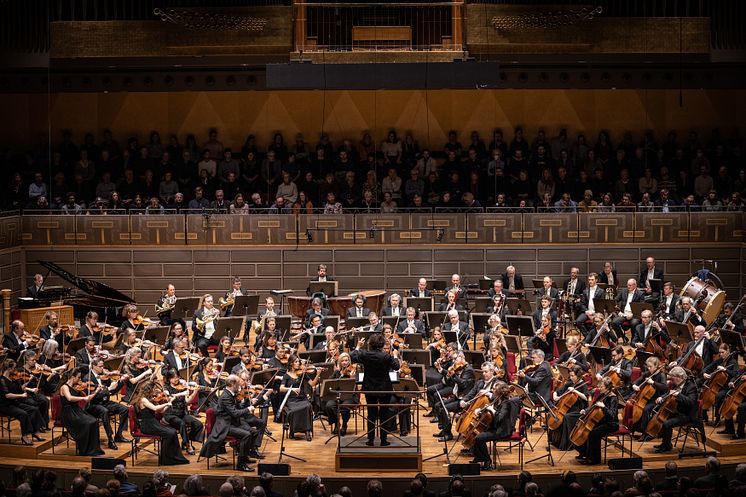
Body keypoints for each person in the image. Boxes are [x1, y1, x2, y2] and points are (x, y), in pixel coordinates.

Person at [350, 333, 400, 446]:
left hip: (369, 388)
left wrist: (358, 346)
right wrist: (395, 355)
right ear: (382, 345)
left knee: (371, 414)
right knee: (384, 414)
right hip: (384, 388)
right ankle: (383, 440)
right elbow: (397, 366)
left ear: (370, 344)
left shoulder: (365, 354)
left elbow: (352, 357)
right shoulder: (386, 356)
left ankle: (370, 440)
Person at [133, 380, 189, 465]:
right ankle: (166, 459)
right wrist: (166, 404)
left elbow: (161, 411)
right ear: (149, 390)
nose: (154, 392)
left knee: (173, 432)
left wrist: (170, 403)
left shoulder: (149, 399)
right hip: (148, 425)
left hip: (154, 423)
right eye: (153, 389)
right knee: (169, 433)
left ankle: (173, 458)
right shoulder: (143, 400)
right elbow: (155, 408)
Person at [470, 382, 521, 470]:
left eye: (494, 389)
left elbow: (499, 418)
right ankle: (479, 457)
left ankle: (487, 460)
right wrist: (481, 410)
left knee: (479, 438)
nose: (492, 390)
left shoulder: (506, 403)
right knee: (475, 434)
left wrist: (492, 409)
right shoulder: (498, 399)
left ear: (499, 391)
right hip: (496, 427)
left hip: (502, 430)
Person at [653, 366, 702, 453]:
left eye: (673, 378)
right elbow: (668, 393)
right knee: (661, 418)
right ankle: (665, 443)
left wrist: (678, 395)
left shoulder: (691, 387)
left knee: (667, 423)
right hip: (678, 411)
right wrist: (661, 398)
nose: (672, 381)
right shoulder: (676, 385)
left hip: (687, 414)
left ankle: (666, 446)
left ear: (679, 377)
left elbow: (690, 402)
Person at [85, 357, 131, 450]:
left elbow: (112, 392)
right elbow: (94, 396)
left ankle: (118, 435)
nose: (103, 368)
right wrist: (109, 388)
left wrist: (120, 382)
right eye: (100, 366)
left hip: (105, 402)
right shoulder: (88, 378)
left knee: (125, 409)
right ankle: (110, 439)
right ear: (93, 366)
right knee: (104, 411)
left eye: (103, 366)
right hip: (93, 404)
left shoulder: (104, 377)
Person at [60, 367, 104, 456]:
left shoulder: (77, 388)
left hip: (77, 411)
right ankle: (84, 449)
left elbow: (87, 400)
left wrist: (96, 391)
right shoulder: (64, 387)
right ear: (72, 377)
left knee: (94, 421)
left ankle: (94, 449)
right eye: (78, 377)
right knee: (87, 423)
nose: (80, 380)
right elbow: (69, 398)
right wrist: (83, 398)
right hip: (68, 413)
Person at [431, 351, 475, 442]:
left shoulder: (468, 370)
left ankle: (448, 434)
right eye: (453, 359)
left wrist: (454, 375)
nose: (454, 361)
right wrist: (441, 369)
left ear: (462, 358)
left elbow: (463, 384)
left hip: (464, 399)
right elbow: (449, 379)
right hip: (456, 396)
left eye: (456, 359)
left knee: (444, 408)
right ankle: (444, 429)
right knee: (438, 405)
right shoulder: (459, 368)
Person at [0, 359, 46, 445]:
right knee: (23, 414)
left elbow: (20, 389)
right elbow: (7, 395)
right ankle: (25, 436)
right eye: (14, 368)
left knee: (34, 409)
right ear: (8, 369)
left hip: (15, 403)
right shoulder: (2, 380)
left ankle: (35, 432)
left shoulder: (12, 378)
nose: (15, 370)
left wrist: (28, 383)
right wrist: (21, 396)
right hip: (5, 405)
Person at [575, 377, 619, 465]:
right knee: (588, 431)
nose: (600, 388)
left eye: (602, 387)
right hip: (602, 421)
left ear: (607, 388)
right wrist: (586, 410)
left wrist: (604, 407)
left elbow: (612, 415)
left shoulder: (613, 398)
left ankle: (595, 459)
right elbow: (593, 405)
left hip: (611, 424)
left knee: (593, 434)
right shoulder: (603, 395)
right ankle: (585, 454)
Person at [163, 369, 204, 455]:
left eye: (177, 377)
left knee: (198, 424)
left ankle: (186, 439)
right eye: (174, 378)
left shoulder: (182, 386)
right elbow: (168, 398)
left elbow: (188, 401)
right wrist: (179, 394)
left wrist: (194, 392)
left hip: (181, 413)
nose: (176, 379)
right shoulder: (166, 387)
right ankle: (188, 445)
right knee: (182, 424)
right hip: (170, 414)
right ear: (169, 379)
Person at [550, 366, 589, 450]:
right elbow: (558, 391)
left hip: (579, 409)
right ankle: (555, 442)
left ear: (578, 375)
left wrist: (575, 391)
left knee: (566, 417)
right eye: (570, 376)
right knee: (554, 415)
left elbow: (586, 397)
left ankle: (566, 445)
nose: (571, 377)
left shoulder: (583, 385)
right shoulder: (569, 383)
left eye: (572, 376)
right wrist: (555, 396)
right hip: (568, 407)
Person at [630, 356, 668, 441]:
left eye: (651, 367)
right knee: (635, 405)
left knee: (646, 409)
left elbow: (665, 387)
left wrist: (653, 383)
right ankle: (634, 428)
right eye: (648, 366)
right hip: (646, 398)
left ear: (656, 366)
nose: (649, 368)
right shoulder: (648, 373)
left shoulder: (661, 375)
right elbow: (638, 380)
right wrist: (634, 385)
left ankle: (645, 432)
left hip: (656, 399)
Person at [279, 354, 315, 441]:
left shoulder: (302, 373)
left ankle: (307, 431)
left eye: (298, 361)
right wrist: (291, 389)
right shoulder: (286, 375)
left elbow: (312, 383)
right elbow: (281, 388)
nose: (298, 363)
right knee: (294, 410)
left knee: (307, 406)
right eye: (296, 362)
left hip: (302, 398)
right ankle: (293, 430)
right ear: (291, 363)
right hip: (292, 400)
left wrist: (318, 374)